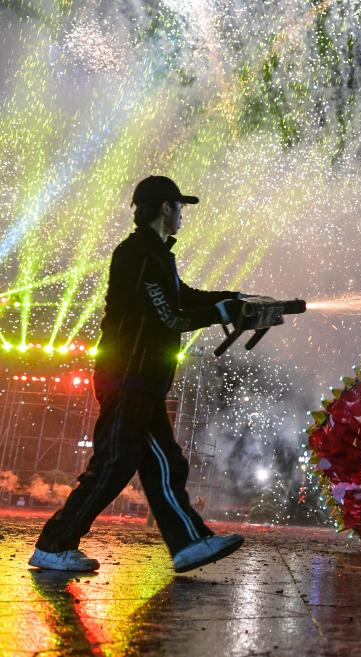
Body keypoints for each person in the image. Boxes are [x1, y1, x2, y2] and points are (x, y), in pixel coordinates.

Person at [31, 176, 250, 573]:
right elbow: (169, 316)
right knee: (115, 463)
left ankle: (188, 543)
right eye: (179, 207)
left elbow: (182, 298)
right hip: (127, 377)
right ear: (165, 208)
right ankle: (53, 544)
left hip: (141, 379)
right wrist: (222, 313)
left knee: (164, 462)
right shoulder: (137, 254)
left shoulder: (157, 255)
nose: (183, 215)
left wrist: (234, 299)